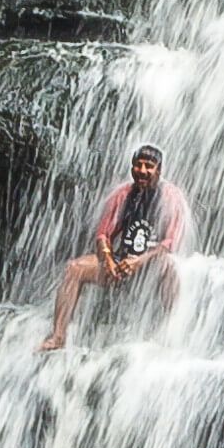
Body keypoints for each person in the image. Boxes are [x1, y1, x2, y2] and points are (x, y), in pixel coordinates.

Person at [39, 144, 188, 351]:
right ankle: (58, 337)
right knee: (74, 268)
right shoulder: (123, 194)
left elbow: (170, 243)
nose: (142, 171)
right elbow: (103, 234)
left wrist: (140, 260)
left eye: (149, 166)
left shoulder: (170, 197)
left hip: (151, 264)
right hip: (122, 262)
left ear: (159, 170)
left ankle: (173, 338)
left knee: (170, 267)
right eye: (138, 165)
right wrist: (108, 260)